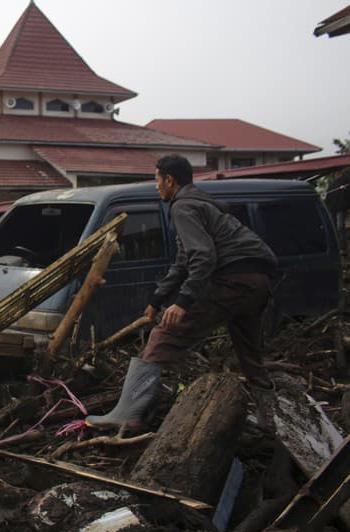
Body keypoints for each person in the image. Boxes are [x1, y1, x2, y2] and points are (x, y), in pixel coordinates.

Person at [86, 155, 278, 432]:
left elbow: (203, 257)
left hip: (232, 280)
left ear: (169, 180)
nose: (156, 186)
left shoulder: (183, 207)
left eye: (157, 179)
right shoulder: (201, 204)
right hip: (257, 281)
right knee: (249, 350)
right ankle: (267, 421)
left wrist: (182, 303)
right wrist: (157, 300)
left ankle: (127, 413)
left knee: (164, 334)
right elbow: (183, 260)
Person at [325, 168, 350, 255]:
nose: (337, 174)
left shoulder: (346, 181)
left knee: (340, 227)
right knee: (332, 228)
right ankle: (336, 247)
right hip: (332, 209)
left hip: (341, 208)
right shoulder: (332, 184)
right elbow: (328, 196)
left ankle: (343, 248)